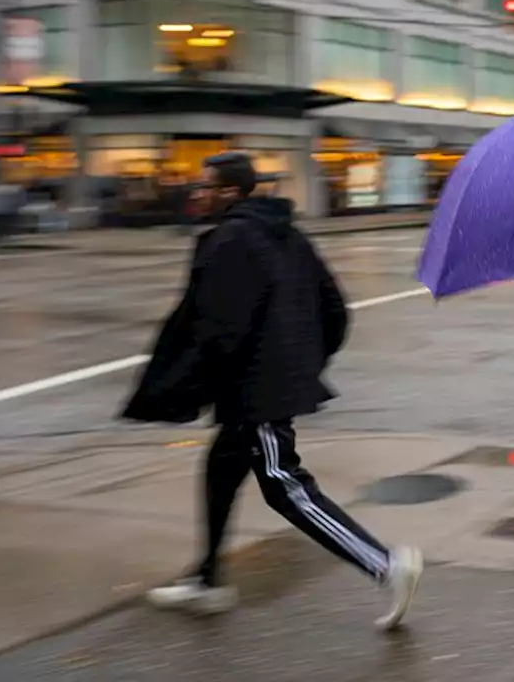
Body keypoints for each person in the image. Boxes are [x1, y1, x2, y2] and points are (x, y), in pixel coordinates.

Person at [121, 152, 422, 630]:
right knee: (221, 473)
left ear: (229, 192)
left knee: (285, 485)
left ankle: (385, 565)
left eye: (205, 185)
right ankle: (207, 579)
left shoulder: (229, 240)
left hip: (254, 390)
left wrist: (190, 384)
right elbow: (335, 309)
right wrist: (304, 364)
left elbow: (216, 328)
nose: (196, 193)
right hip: (266, 382)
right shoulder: (288, 234)